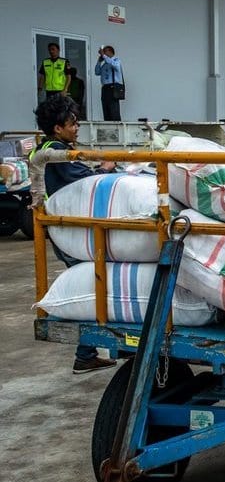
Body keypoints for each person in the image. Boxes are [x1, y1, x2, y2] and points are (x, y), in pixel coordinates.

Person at [32, 95, 118, 374]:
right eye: (72, 123)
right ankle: (85, 355)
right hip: (68, 231)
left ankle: (87, 354)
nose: (77, 127)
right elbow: (84, 179)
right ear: (58, 128)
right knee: (93, 284)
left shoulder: (48, 148)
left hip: (64, 227)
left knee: (93, 283)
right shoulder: (57, 152)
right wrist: (105, 169)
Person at [95, 45, 125, 121]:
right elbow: (97, 72)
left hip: (113, 87)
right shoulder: (105, 64)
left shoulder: (116, 60)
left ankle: (116, 125)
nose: (103, 53)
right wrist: (99, 61)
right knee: (106, 108)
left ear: (111, 52)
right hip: (105, 87)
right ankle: (107, 123)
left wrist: (104, 56)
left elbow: (116, 66)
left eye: (105, 51)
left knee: (113, 109)